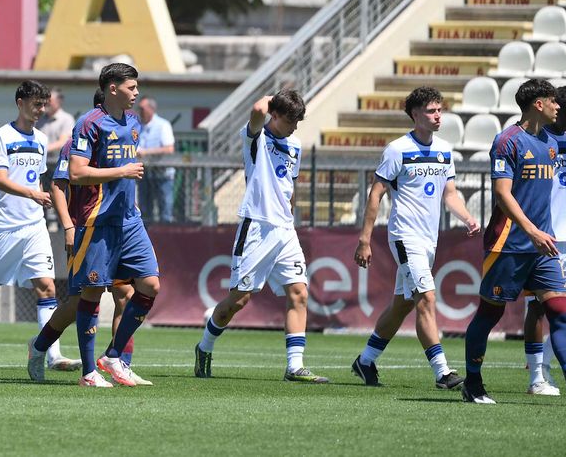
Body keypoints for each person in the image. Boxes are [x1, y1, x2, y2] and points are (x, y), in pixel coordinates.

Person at [26, 64, 157, 388]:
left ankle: (115, 357)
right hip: (94, 222)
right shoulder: (87, 126)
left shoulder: (134, 123)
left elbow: (126, 171)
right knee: (86, 295)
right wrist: (69, 226)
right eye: (131, 87)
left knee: (149, 285)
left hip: (129, 220)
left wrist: (128, 188)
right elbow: (71, 177)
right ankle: (73, 364)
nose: (137, 93)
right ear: (112, 89)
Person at [460, 78, 566, 405]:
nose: (558, 107)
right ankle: (472, 383)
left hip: (543, 247)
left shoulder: (551, 140)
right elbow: (503, 195)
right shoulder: (507, 141)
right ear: (538, 104)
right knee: (490, 315)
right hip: (509, 244)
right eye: (553, 101)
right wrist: (531, 230)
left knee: (561, 310)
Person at [194, 90, 328, 383]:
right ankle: (204, 346)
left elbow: (290, 185)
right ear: (276, 115)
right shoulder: (255, 137)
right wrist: (275, 97)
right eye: (291, 119)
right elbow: (257, 108)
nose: (295, 127)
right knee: (239, 301)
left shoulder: (295, 144)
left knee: (299, 292)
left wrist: (290, 218)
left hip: (284, 229)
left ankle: (295, 366)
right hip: (256, 226)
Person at [351, 86, 478, 389]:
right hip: (405, 236)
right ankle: (442, 372)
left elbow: (450, 195)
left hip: (428, 239)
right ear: (416, 115)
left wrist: (468, 217)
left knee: (402, 304)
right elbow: (376, 193)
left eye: (440, 109)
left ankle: (365, 361)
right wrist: (365, 239)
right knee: (426, 298)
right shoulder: (397, 150)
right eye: (432, 111)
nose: (438, 116)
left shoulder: (445, 149)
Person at [0, 80, 80, 373]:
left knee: (47, 287)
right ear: (20, 102)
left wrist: (39, 197)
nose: (40, 110)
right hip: (4, 228)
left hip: (34, 226)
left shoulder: (40, 139)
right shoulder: (1, 136)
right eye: (36, 104)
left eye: (43, 105)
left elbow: (36, 178)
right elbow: (0, 179)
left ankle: (52, 354)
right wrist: (33, 193)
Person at [523, 85, 566, 395]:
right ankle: (537, 376)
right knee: (538, 308)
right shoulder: (536, 137)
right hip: (542, 235)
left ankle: (547, 359)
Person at [136, 98, 177, 223]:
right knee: (145, 210)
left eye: (142, 109)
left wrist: (146, 152)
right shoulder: (139, 126)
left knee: (165, 210)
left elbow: (169, 149)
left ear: (151, 109)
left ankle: (167, 238)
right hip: (144, 174)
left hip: (162, 175)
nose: (140, 111)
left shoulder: (163, 125)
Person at [40, 89, 74, 169]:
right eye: (45, 100)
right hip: (41, 163)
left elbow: (63, 142)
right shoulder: (39, 119)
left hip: (58, 163)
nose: (46, 102)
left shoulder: (67, 119)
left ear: (59, 101)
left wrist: (42, 149)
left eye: (49, 100)